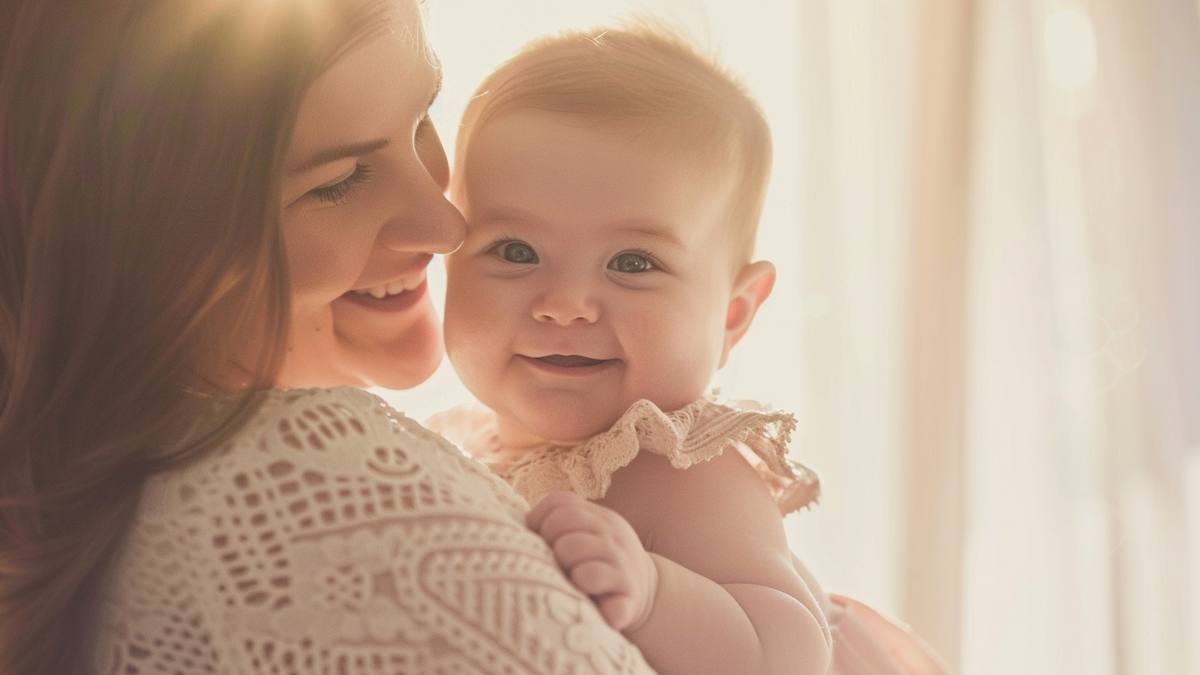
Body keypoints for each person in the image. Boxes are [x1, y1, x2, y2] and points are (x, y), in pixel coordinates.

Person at [0, 2, 653, 673]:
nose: (448, 223)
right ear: (128, 240)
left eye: (423, 119)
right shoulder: (323, 494)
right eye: (337, 183)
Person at [432, 24, 950, 675]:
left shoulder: (683, 469)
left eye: (631, 261)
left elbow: (787, 653)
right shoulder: (450, 453)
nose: (565, 303)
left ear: (733, 314)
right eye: (515, 250)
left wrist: (653, 594)